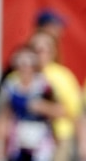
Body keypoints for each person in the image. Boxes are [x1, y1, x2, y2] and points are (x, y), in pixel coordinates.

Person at [0, 45, 64, 161]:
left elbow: (61, 111)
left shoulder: (44, 86)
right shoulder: (11, 86)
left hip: (40, 143)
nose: (25, 68)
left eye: (29, 63)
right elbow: (3, 117)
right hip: (17, 142)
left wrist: (42, 107)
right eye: (21, 64)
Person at [28, 30, 81, 161]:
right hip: (27, 139)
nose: (39, 54)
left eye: (43, 50)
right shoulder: (21, 75)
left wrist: (44, 108)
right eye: (35, 50)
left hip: (58, 138)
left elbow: (74, 112)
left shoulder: (62, 76)